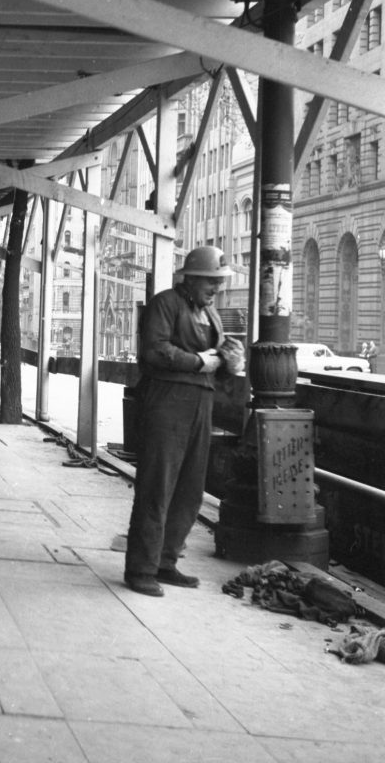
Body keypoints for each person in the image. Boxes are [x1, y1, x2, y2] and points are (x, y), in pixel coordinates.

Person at [124, 246, 244, 598]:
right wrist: (197, 362)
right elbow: (153, 351)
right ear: (190, 279)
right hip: (166, 402)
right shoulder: (165, 304)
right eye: (210, 281)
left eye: (219, 282)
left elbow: (213, 368)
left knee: (190, 490)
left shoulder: (211, 314)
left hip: (201, 404)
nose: (215, 288)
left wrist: (229, 364)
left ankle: (165, 560)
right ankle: (141, 568)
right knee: (156, 486)